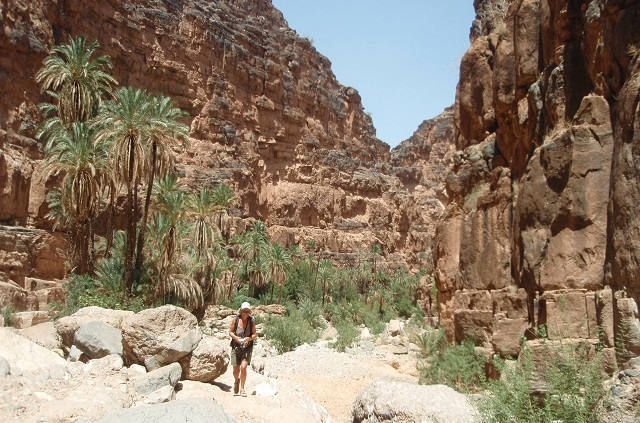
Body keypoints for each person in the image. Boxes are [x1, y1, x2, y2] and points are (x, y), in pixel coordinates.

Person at [229, 301, 256, 397]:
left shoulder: (251, 321)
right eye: (244, 311)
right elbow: (231, 332)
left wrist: (249, 338)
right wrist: (236, 338)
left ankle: (242, 388)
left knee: (243, 367)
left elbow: (254, 334)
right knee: (236, 370)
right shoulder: (235, 320)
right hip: (236, 346)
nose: (245, 313)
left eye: (247, 311)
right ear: (241, 311)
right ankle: (237, 380)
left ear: (249, 312)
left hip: (247, 347)